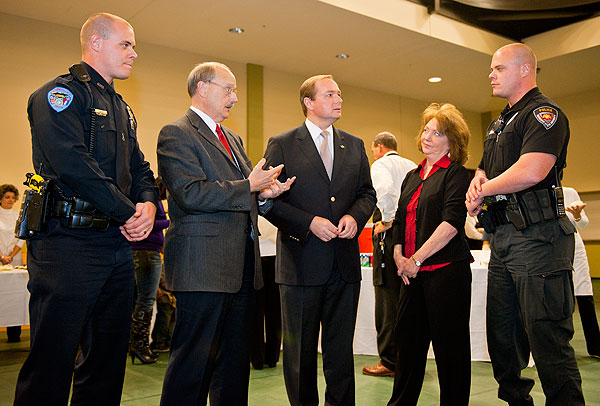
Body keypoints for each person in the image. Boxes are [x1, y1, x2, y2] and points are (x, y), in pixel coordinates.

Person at [14, 13, 159, 406]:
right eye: (125, 45)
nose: (134, 53)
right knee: (53, 358)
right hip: (67, 244)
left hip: (113, 246)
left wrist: (147, 204)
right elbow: (73, 164)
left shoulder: (122, 108)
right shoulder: (59, 95)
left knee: (107, 361)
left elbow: (140, 168)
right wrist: (129, 212)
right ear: (95, 43)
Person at [157, 62, 294, 406]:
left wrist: (264, 195)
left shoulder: (231, 137)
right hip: (202, 269)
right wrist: (249, 185)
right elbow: (190, 193)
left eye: (235, 90)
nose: (235, 97)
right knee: (193, 367)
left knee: (234, 367)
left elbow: (244, 191)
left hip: (242, 270)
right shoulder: (176, 133)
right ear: (202, 88)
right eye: (228, 89)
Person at [466, 43, 585, 405]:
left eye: (499, 68)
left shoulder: (544, 114)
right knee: (503, 340)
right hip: (502, 239)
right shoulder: (499, 123)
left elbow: (533, 169)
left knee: (546, 338)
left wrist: (484, 189)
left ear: (524, 70)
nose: (491, 74)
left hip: (540, 239)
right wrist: (477, 183)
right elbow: (486, 167)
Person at [263, 74, 376, 406]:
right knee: (299, 356)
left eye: (340, 93)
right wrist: (309, 223)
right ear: (308, 103)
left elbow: (367, 194)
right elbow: (267, 202)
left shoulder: (354, 144)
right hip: (300, 266)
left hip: (343, 265)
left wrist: (355, 217)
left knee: (341, 354)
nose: (339, 99)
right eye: (330, 94)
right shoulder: (282, 143)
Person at [387, 103, 472, 406]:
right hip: (412, 275)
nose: (428, 137)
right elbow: (398, 219)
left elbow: (451, 224)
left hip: (446, 273)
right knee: (407, 345)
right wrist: (399, 256)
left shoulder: (458, 175)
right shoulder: (412, 175)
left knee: (451, 351)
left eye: (438, 133)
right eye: (426, 130)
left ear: (452, 142)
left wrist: (417, 260)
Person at [362, 132, 416, 377]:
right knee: (407, 298)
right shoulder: (413, 165)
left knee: (386, 300)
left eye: (374, 150)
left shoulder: (381, 165)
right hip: (412, 237)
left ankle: (389, 361)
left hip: (389, 238)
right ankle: (408, 359)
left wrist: (387, 220)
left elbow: (384, 193)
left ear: (379, 147)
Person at [129, 177, 170, 364]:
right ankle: (139, 345)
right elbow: (152, 223)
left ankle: (137, 344)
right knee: (146, 300)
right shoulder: (148, 200)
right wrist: (169, 221)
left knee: (142, 299)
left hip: (146, 252)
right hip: (146, 252)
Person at [563, 186, 600, 358]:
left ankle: (595, 345)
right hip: (551, 250)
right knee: (559, 298)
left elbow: (583, 223)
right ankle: (561, 344)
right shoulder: (533, 192)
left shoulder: (570, 192)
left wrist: (577, 215)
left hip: (575, 249)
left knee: (585, 294)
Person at [251, 216, 282, 370]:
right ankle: (257, 357)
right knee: (255, 312)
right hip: (254, 256)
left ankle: (271, 356)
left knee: (275, 311)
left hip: (275, 255)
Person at [0, 184, 26, 343]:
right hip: (1, 258)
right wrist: (2, 256)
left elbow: (21, 237)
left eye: (12, 197)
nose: (10, 200)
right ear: (1, 198)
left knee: (15, 296)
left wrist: (11, 256)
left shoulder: (18, 215)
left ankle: (14, 334)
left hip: (14, 260)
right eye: (7, 197)